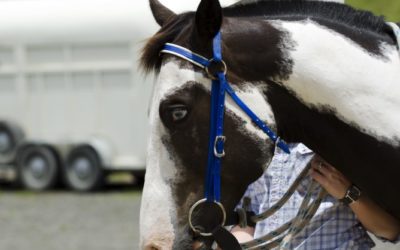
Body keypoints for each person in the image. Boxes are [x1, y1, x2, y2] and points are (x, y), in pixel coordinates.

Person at [232, 143, 400, 249]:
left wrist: (348, 193)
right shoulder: (269, 148)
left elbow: (389, 230)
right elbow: (247, 219)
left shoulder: (351, 150)